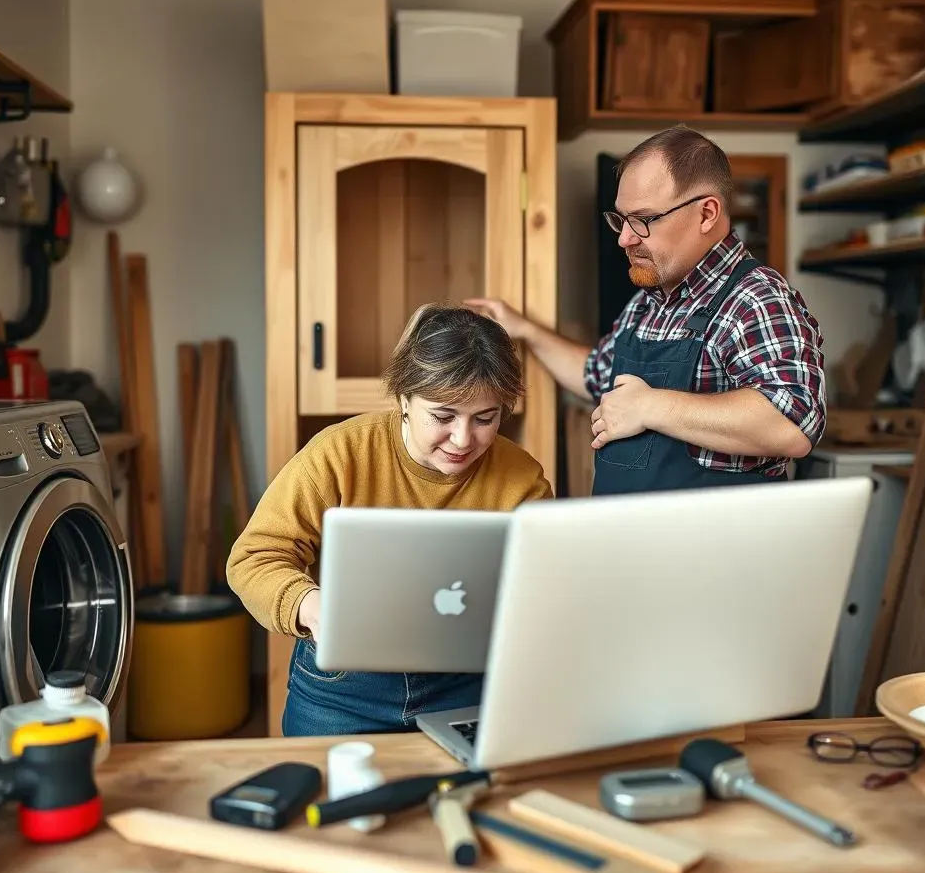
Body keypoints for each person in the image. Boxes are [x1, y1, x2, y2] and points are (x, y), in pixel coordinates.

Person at [226, 303, 553, 736]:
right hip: (342, 689)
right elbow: (254, 558)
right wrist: (310, 605)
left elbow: (548, 584)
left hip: (469, 682)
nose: (462, 439)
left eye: (484, 419)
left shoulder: (521, 477)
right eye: (442, 416)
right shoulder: (338, 454)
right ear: (403, 399)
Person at [467, 125, 825, 496]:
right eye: (621, 219)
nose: (624, 237)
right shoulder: (649, 301)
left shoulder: (755, 298)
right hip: (629, 545)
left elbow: (793, 423)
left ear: (706, 213)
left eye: (644, 220)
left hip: (712, 548)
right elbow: (595, 375)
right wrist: (525, 329)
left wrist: (653, 407)